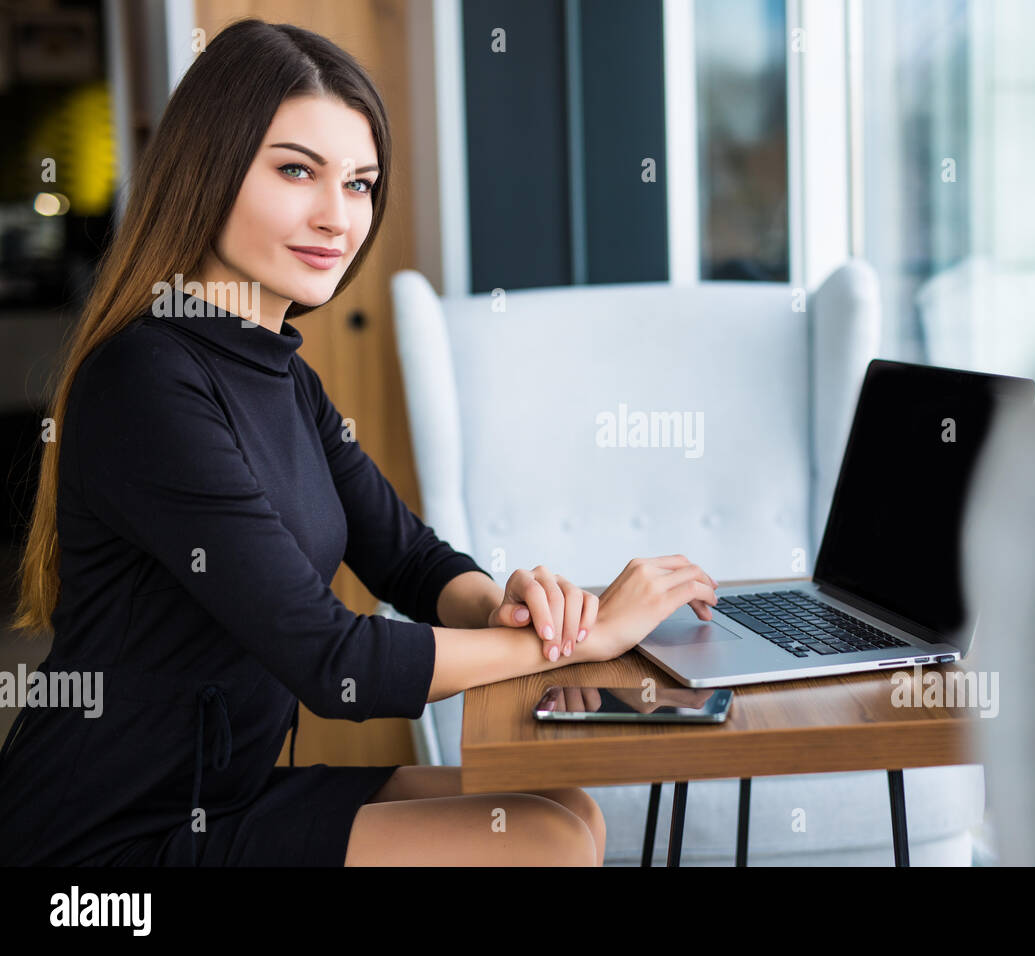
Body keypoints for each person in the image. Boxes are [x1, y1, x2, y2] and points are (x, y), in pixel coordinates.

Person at [1, 17, 718, 867]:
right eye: (297, 170)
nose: (335, 217)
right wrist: (586, 639)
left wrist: (507, 604)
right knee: (538, 844)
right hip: (100, 845)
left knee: (562, 810)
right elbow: (329, 659)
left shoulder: (282, 375)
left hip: (221, 795)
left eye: (359, 183)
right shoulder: (147, 379)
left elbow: (409, 560)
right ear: (209, 169)